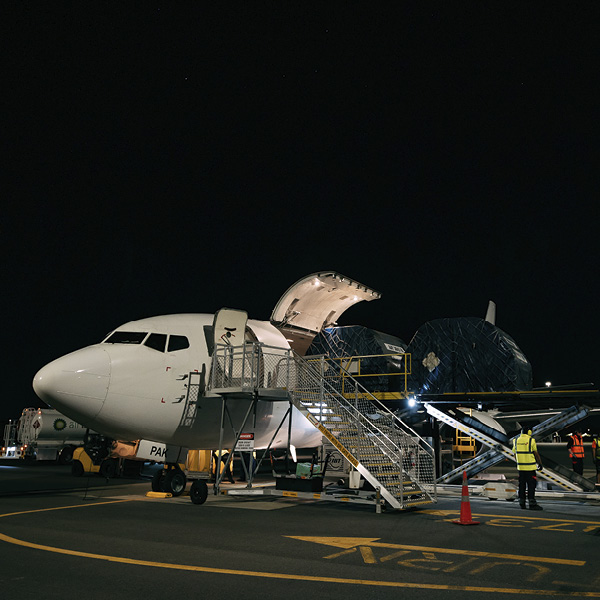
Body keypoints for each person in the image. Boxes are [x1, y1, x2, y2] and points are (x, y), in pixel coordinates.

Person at [513, 426, 543, 510]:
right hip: (530, 468)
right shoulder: (531, 440)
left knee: (521, 485)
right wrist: (540, 463)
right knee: (531, 486)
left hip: (521, 468)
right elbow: (536, 454)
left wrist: (520, 462)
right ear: (529, 432)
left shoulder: (515, 440)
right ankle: (532, 504)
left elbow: (515, 454)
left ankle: (522, 503)